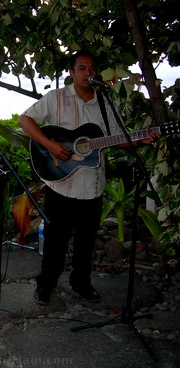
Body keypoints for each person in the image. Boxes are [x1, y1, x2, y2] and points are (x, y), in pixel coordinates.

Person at [19, 50, 158, 306]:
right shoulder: (56, 98)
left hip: (93, 187)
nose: (88, 73)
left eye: (92, 69)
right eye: (82, 68)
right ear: (71, 73)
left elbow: (120, 140)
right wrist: (49, 145)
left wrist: (141, 139)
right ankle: (46, 285)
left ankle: (81, 283)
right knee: (55, 242)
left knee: (86, 242)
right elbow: (25, 120)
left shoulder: (105, 104)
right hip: (61, 183)